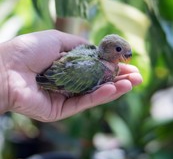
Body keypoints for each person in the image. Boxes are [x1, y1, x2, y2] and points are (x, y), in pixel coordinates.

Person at [0, 30, 142, 122]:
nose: (125, 56)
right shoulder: (95, 69)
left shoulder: (108, 66)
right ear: (106, 49)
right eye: (118, 50)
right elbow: (49, 78)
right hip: (53, 80)